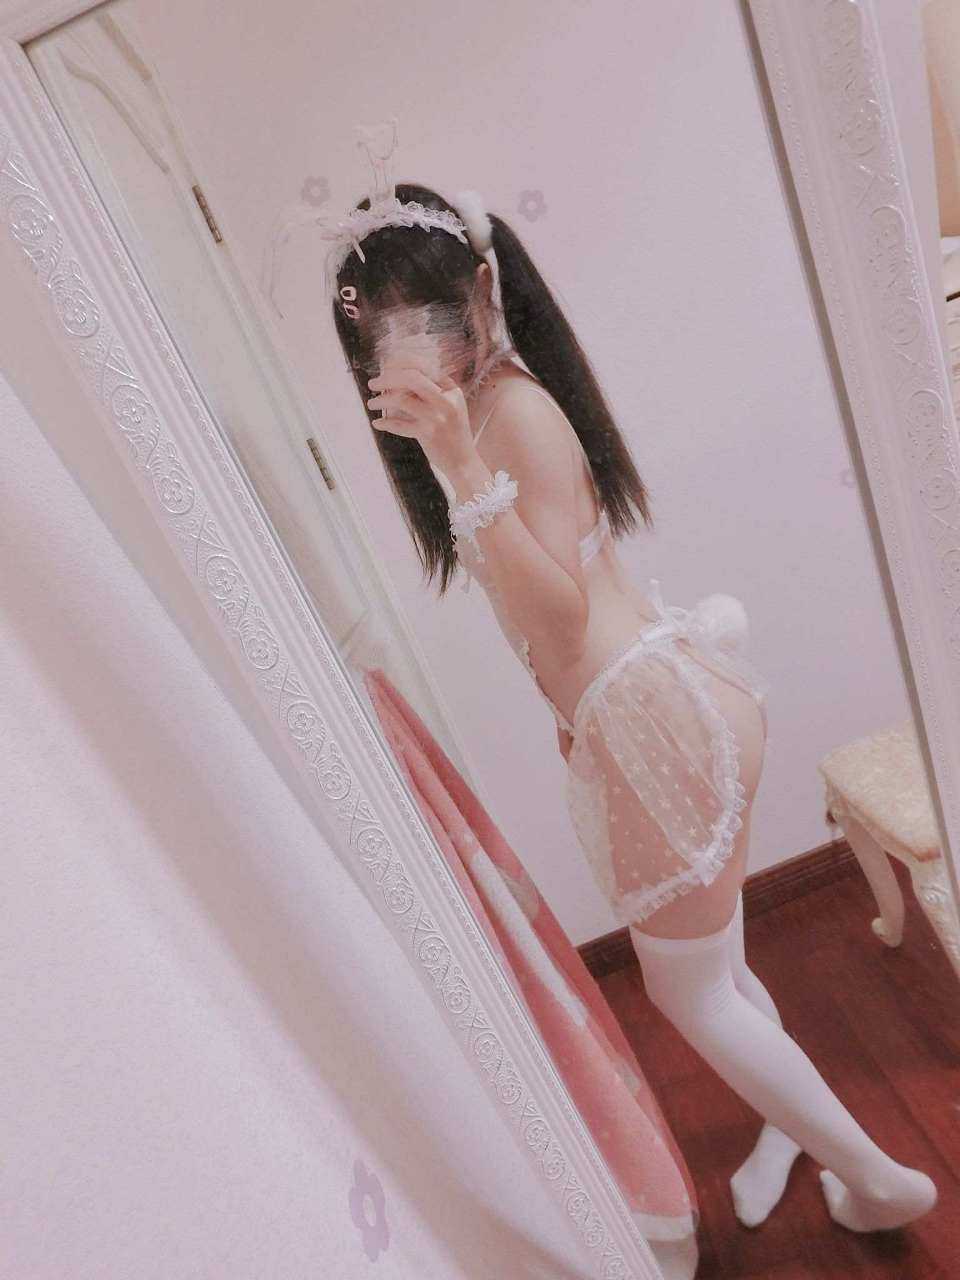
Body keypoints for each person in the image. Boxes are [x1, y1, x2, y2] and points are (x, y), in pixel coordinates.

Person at [321, 118, 937, 1234]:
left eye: (427, 324)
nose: (407, 356)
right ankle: (792, 1120)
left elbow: (558, 613)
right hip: (664, 703)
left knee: (688, 992)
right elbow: (562, 611)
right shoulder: (496, 413)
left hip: (657, 723)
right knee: (717, 967)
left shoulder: (509, 414)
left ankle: (883, 1180)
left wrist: (456, 462)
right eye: (380, 338)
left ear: (484, 294)